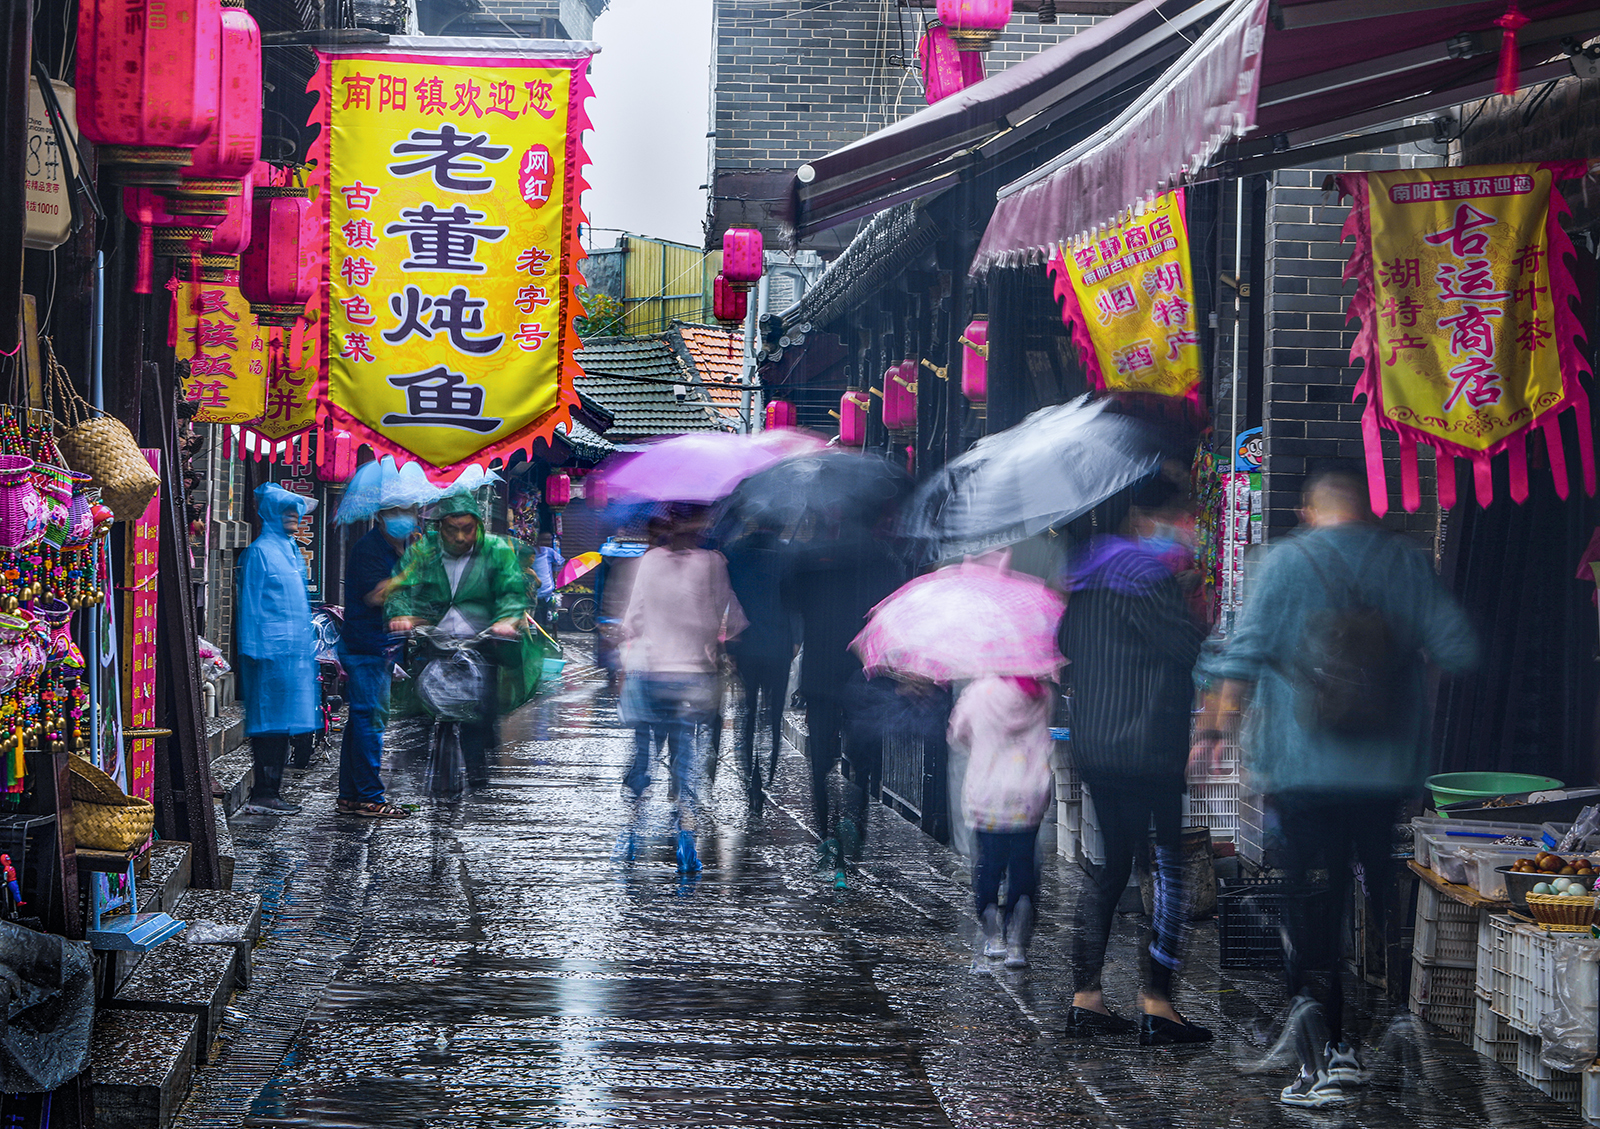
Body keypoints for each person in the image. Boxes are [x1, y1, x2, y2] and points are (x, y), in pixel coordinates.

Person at [1196, 465, 1478, 1107]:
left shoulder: (1284, 564)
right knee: (1380, 897)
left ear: (1309, 508)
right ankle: (1387, 1027)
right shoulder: (1405, 563)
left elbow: (1240, 657)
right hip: (1385, 773)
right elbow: (1458, 648)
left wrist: (1215, 729)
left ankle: (1325, 1061)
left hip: (1303, 771)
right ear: (1365, 508)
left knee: (1312, 904)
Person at [1059, 474, 1210, 1046]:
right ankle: (1158, 1004)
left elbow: (1068, 647)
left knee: (1112, 866)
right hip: (1148, 745)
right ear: (1150, 518)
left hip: (1095, 742)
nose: (1188, 528)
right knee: (1167, 868)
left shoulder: (1085, 572)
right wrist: (1189, 595)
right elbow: (1184, 647)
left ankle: (1087, 999)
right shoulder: (1149, 574)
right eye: (1182, 516)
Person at [619, 509, 747, 872]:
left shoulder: (650, 561)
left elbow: (632, 620)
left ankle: (632, 825)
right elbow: (732, 619)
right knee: (683, 753)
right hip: (694, 674)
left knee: (644, 752)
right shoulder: (713, 563)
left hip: (652, 672)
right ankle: (686, 832)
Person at [386, 493, 529, 787]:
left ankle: (478, 776)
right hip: (434, 641)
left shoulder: (497, 550)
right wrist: (401, 614)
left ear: (478, 525)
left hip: (481, 642)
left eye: (468, 529)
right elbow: (400, 587)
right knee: (418, 713)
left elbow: (512, 592)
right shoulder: (423, 552)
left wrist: (506, 619)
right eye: (453, 530)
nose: (461, 537)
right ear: (440, 527)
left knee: (480, 719)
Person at [788, 535, 906, 880]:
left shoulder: (810, 558)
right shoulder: (882, 558)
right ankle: (854, 824)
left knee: (821, 762)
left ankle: (826, 832)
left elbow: (790, 600)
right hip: (864, 672)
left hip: (822, 673)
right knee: (864, 759)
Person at [949, 675, 1053, 971]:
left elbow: (958, 733)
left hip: (988, 795)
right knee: (1023, 864)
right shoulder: (1041, 693)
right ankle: (1018, 943)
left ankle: (994, 938)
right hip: (1028, 795)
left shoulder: (977, 692)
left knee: (989, 864)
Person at [237, 483, 319, 815]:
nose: (294, 518)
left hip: (292, 653)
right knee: (269, 722)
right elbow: (251, 603)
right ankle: (264, 791)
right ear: (271, 513)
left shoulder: (290, 550)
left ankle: (273, 789)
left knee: (284, 722)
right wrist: (255, 648)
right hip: (269, 653)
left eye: (296, 512)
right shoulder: (260, 551)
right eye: (287, 511)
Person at [335, 498, 418, 818]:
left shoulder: (402, 547)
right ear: (382, 516)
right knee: (370, 722)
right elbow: (376, 595)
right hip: (365, 647)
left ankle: (350, 796)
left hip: (381, 646)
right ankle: (371, 797)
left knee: (360, 723)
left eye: (408, 511)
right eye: (396, 512)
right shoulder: (369, 548)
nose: (404, 518)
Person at [721, 520, 793, 804]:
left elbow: (728, 599)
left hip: (745, 642)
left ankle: (748, 770)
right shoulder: (791, 554)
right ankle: (768, 771)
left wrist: (729, 645)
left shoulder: (734, 552)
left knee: (747, 710)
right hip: (779, 645)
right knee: (772, 714)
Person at [530, 530, 565, 631]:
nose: (547, 542)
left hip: (543, 590)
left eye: (549, 540)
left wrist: (554, 570)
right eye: (545, 540)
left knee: (540, 617)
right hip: (539, 589)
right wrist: (554, 570)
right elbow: (560, 562)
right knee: (542, 617)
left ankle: (541, 638)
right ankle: (542, 638)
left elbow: (560, 561)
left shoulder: (547, 551)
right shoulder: (547, 551)